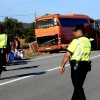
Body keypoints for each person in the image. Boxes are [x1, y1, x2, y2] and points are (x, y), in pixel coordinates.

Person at [60, 24, 92, 100]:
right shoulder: (88, 40)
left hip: (76, 67)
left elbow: (67, 55)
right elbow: (80, 48)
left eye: (75, 31)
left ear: (80, 32)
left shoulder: (75, 41)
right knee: (78, 86)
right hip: (86, 66)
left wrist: (62, 65)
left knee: (78, 87)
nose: (73, 33)